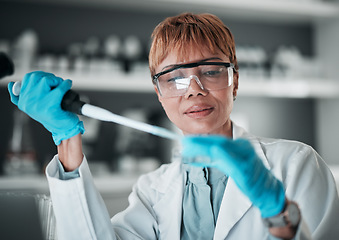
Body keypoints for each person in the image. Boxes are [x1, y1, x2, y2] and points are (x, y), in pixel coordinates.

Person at [8, 12, 339, 240]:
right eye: (175, 78)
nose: (194, 88)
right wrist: (67, 138)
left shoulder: (295, 164)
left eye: (210, 70)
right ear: (159, 94)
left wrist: (279, 212)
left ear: (234, 81)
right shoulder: (152, 191)